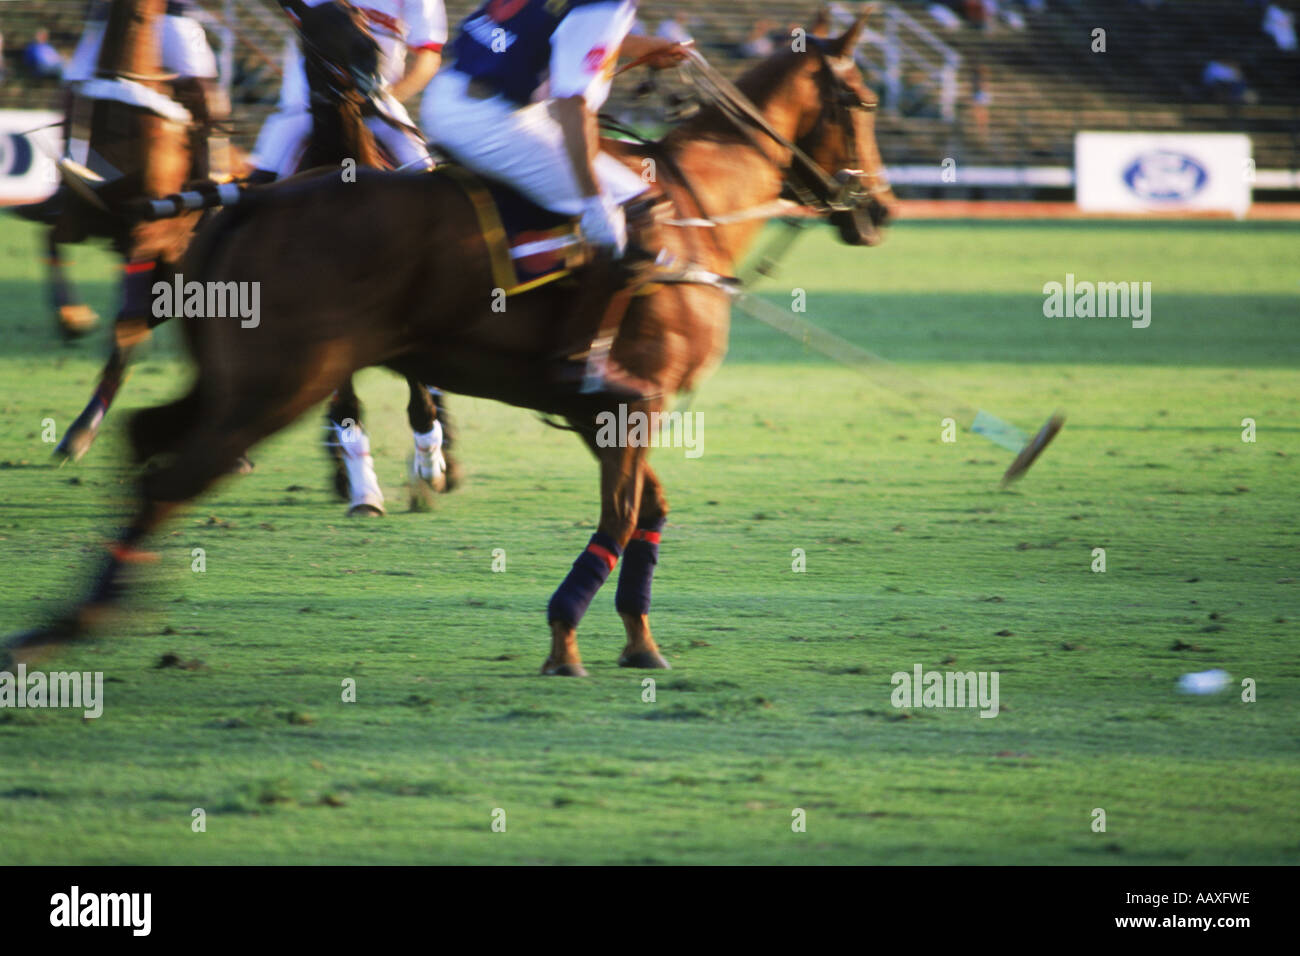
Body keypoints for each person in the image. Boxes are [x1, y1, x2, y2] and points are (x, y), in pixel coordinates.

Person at [422, 0, 687, 398]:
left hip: (450, 92)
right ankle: (577, 360)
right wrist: (594, 200)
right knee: (637, 208)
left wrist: (644, 46)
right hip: (487, 120)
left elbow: (567, 33)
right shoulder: (606, 5)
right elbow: (573, 105)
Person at [249, 0, 446, 180]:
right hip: (308, 98)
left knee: (420, 165)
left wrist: (389, 97)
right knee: (266, 171)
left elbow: (427, 60)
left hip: (378, 98)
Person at [64, 0, 229, 179]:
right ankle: (69, 170)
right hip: (110, 19)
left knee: (201, 92)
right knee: (74, 83)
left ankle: (210, 174)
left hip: (173, 16)